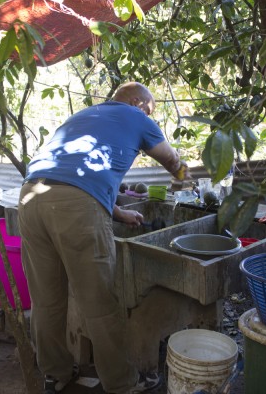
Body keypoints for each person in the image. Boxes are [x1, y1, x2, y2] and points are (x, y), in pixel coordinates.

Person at [18, 82, 190, 394]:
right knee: (99, 303)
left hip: (31, 198)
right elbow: (169, 160)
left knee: (46, 300)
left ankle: (56, 375)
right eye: (150, 110)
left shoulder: (83, 117)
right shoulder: (137, 116)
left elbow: (73, 173)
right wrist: (182, 173)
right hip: (75, 208)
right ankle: (122, 383)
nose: (150, 116)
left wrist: (119, 213)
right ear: (138, 102)